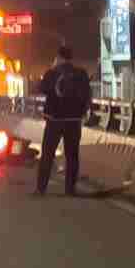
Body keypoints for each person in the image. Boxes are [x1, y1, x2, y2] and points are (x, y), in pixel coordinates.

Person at [34, 43, 91, 196]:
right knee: (72, 156)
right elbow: (87, 95)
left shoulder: (52, 73)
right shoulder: (81, 74)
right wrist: (83, 113)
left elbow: (41, 88)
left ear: (58, 57)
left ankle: (41, 189)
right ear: (71, 58)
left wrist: (52, 69)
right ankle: (70, 189)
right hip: (73, 121)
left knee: (47, 154)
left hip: (55, 120)